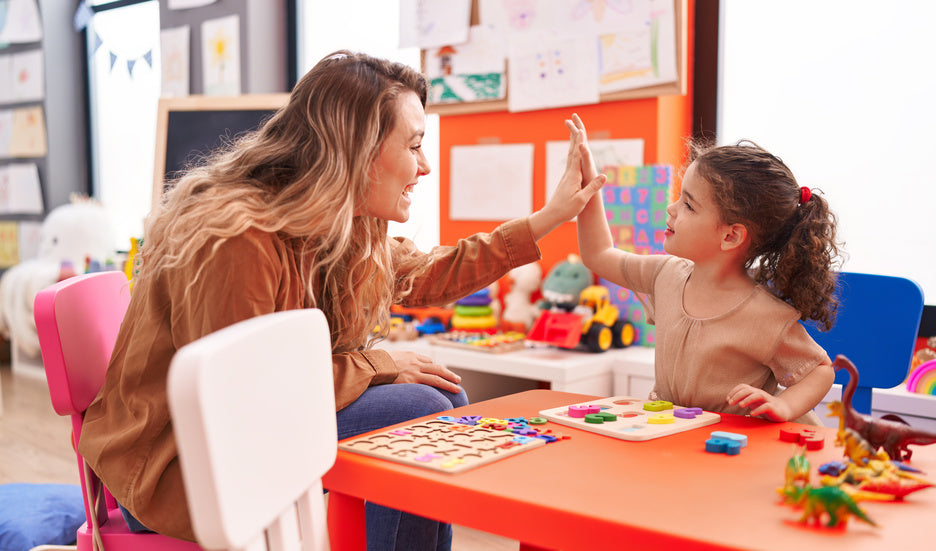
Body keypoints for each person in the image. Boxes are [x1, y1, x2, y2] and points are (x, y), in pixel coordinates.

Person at [76, 51, 604, 550]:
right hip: (180, 467)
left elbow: (426, 273)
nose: (425, 168)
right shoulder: (236, 237)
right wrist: (380, 364)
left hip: (248, 433)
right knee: (422, 411)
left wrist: (549, 217)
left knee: (441, 404)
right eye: (415, 145)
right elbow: (242, 395)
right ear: (357, 150)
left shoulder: (340, 223)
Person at [571, 114, 839, 425]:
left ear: (730, 236)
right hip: (675, 437)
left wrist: (785, 406)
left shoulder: (766, 316)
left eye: (688, 205)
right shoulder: (664, 275)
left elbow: (819, 370)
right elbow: (599, 254)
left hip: (735, 450)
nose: (671, 209)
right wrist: (587, 184)